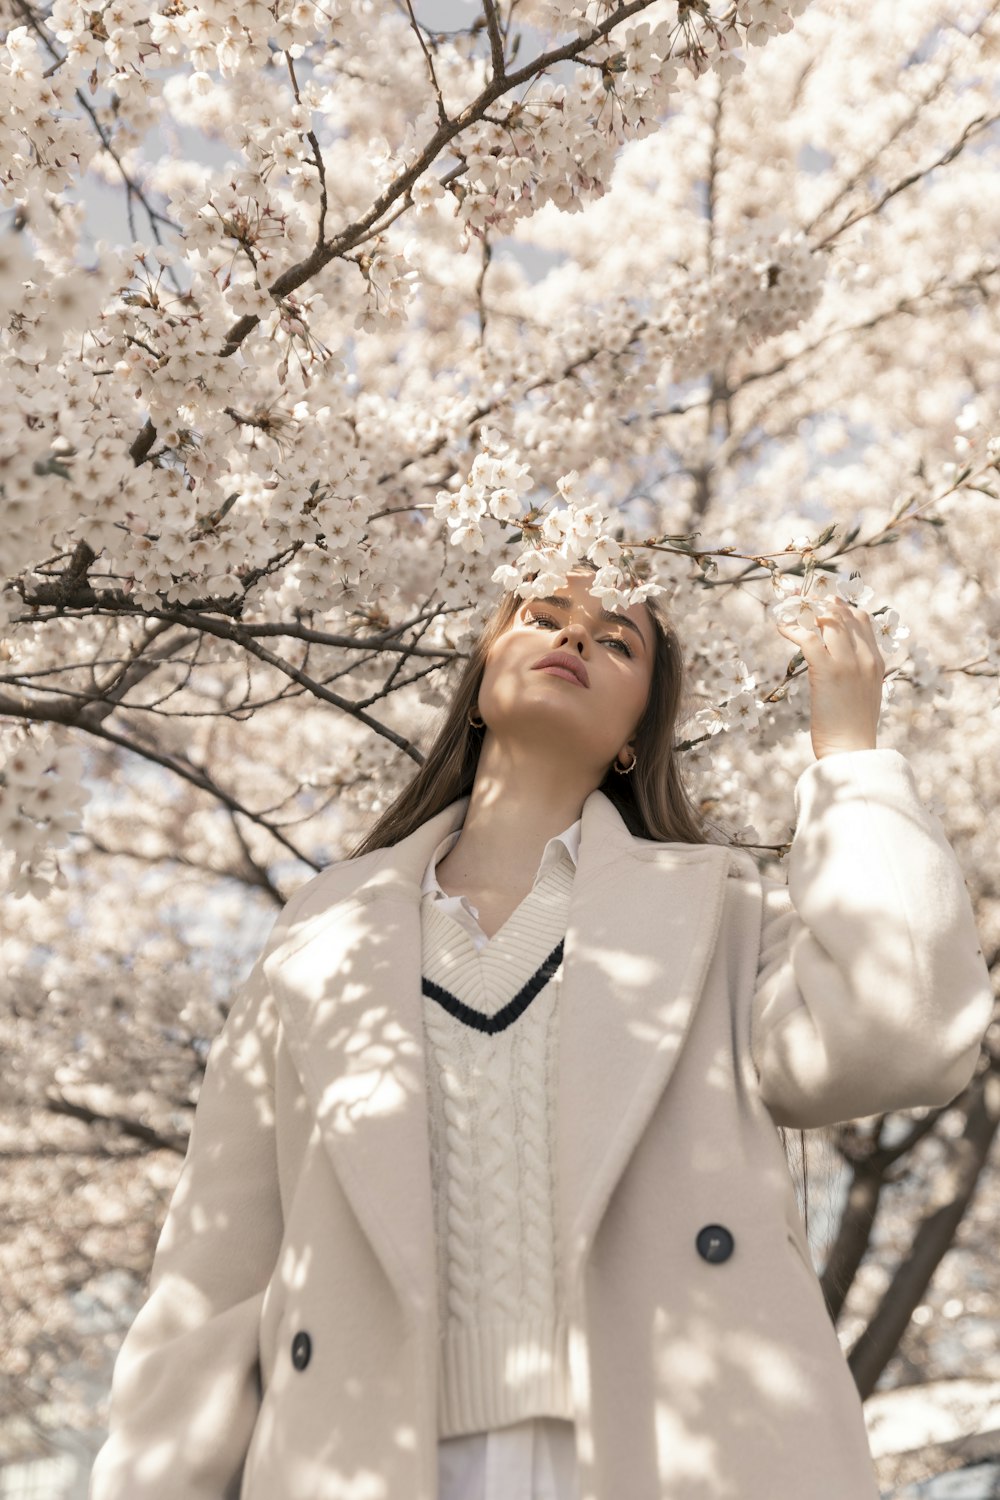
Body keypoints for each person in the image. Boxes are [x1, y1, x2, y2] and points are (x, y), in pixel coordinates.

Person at [89, 561, 992, 1500]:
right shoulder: (316, 936)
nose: (574, 640)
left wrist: (849, 760)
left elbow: (903, 1034)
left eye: (615, 640)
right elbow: (211, 1282)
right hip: (364, 1457)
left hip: (674, 1445)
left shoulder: (719, 912)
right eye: (546, 616)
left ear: (640, 732)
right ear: (483, 672)